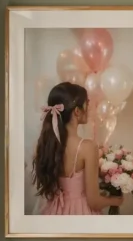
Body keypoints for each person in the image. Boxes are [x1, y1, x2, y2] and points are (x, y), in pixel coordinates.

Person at [32, 81, 123, 215]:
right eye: (87, 104)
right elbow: (94, 201)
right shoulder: (87, 147)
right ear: (77, 111)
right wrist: (116, 201)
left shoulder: (45, 144)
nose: (89, 108)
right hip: (80, 212)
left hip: (54, 211)